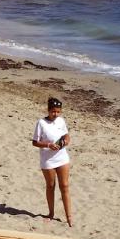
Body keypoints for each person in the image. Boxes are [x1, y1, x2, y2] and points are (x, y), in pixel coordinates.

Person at [32, 97, 72, 226]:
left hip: (62, 157)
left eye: (58, 112)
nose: (56, 114)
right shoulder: (41, 123)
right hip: (48, 160)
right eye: (53, 112)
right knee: (50, 186)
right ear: (48, 110)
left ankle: (69, 216)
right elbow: (35, 142)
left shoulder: (61, 121)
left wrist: (65, 141)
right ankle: (51, 213)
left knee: (64, 186)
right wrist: (48, 145)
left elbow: (66, 135)